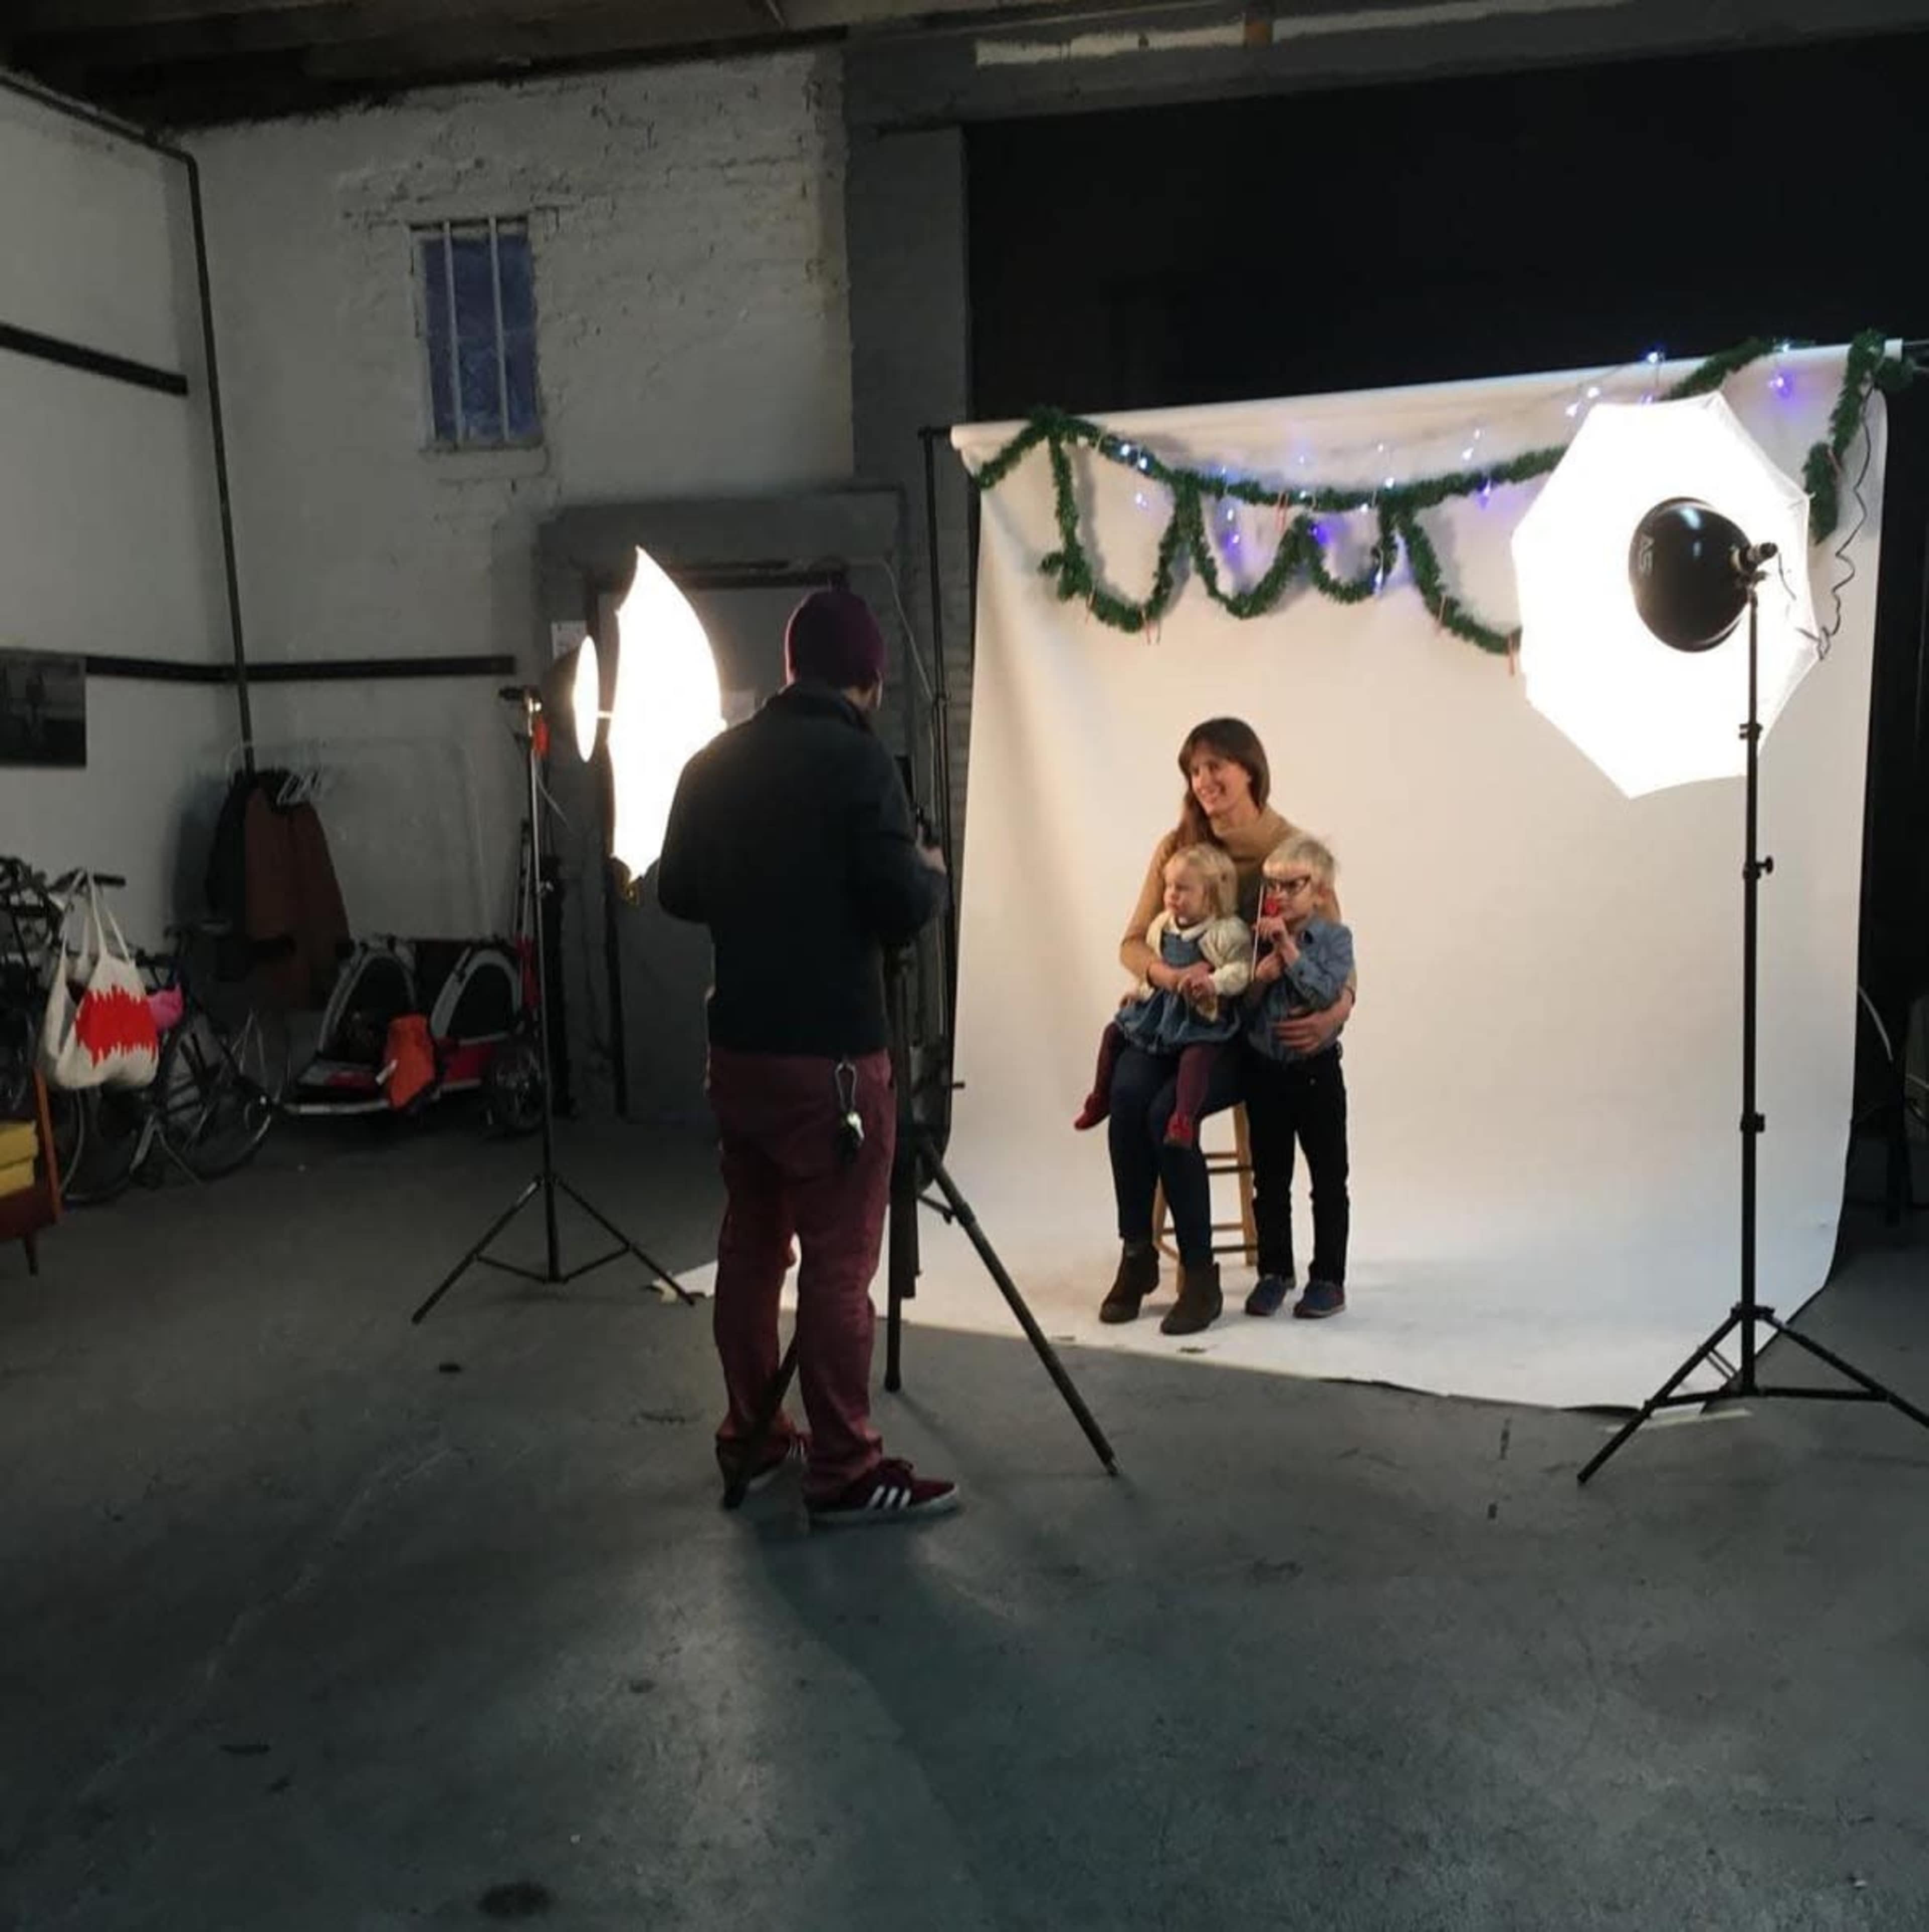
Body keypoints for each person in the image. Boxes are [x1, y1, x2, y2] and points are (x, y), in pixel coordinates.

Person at [657, 587, 958, 1527]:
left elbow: (678, 890)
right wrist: (930, 874)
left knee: (752, 1244)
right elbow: (898, 902)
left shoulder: (716, 759)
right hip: (831, 1058)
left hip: (739, 1048)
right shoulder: (858, 761)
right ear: (867, 677)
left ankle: (754, 1427)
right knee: (837, 1263)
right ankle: (847, 1468)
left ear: (793, 668)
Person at [1099, 718, 1354, 1337]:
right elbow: (1132, 943)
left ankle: (1200, 1274)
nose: (1205, 780)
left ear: (1250, 769)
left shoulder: (1291, 853)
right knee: (1128, 1095)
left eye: (1217, 766)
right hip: (1172, 1019)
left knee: (1169, 1114)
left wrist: (1339, 1009)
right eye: (1195, 769)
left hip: (1245, 1040)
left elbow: (1333, 949)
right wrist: (1170, 977)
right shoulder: (1177, 845)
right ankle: (1137, 1255)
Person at [1242, 834, 1355, 1320]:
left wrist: (1289, 952)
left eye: (1294, 885)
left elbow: (1329, 994)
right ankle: (1274, 1271)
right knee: (1270, 1180)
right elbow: (1237, 1012)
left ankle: (1328, 1277)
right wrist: (1260, 977)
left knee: (1328, 1178)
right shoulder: (1252, 940)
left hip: (1316, 1074)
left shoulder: (1335, 939)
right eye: (1273, 885)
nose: (1281, 895)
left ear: (1321, 889)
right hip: (1265, 1073)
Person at [1074, 842, 1251, 1149]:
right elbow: (1156, 965)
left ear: (1210, 896)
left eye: (1182, 889)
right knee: (1114, 1032)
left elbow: (1243, 970)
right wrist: (1140, 993)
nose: (1171, 895)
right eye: (1169, 887)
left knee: (1196, 1058)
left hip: (1201, 1015)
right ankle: (1100, 1097)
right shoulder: (1162, 925)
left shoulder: (1227, 932)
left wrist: (1214, 983)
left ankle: (1183, 1117)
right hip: (1164, 1009)